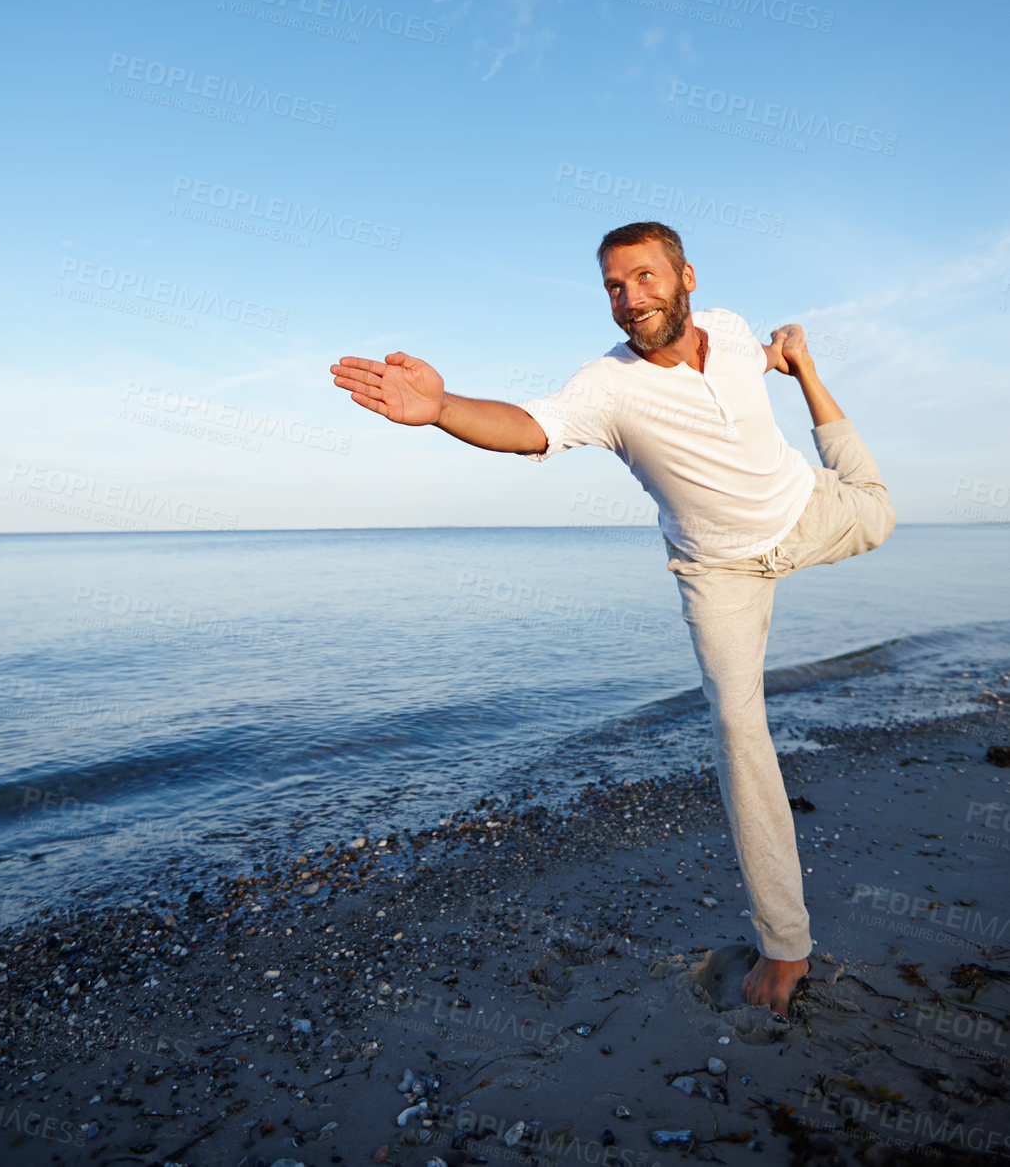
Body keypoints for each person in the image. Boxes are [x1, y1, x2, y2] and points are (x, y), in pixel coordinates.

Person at [331, 220, 895, 1016]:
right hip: (720, 571)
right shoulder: (608, 385)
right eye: (613, 287)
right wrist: (444, 407)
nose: (630, 298)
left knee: (883, 512)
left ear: (686, 277)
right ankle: (784, 943)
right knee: (739, 731)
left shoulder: (730, 332)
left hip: (808, 510)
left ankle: (813, 373)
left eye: (644, 278)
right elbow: (531, 426)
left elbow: (742, 358)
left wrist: (787, 359)